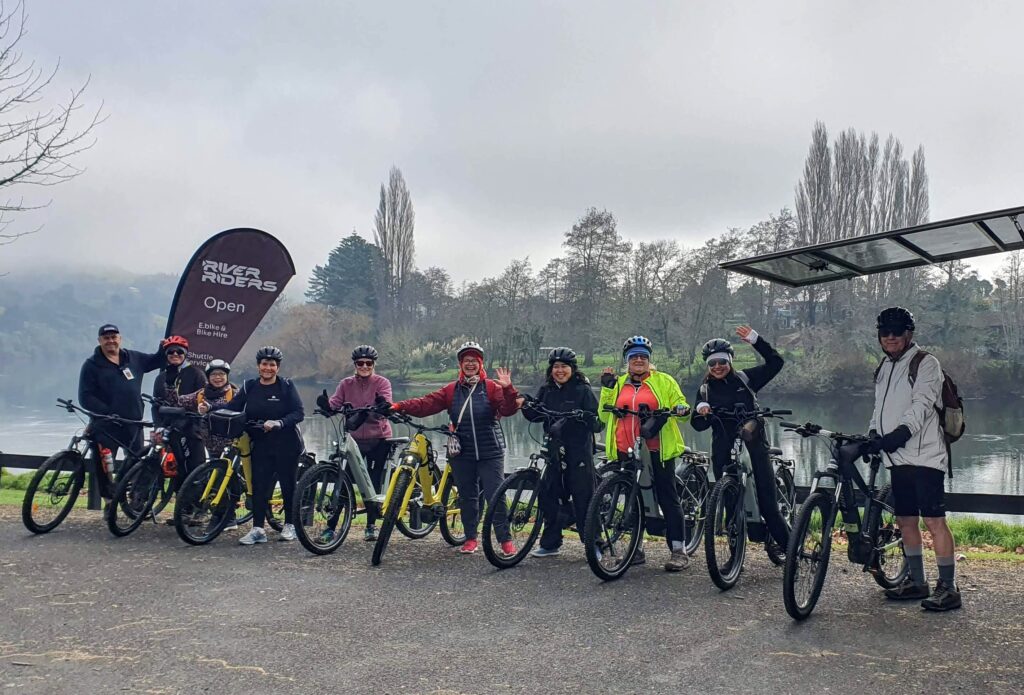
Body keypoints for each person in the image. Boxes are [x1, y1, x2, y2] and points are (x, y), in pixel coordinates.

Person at [863, 307, 960, 611]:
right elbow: (879, 407)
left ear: (908, 333)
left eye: (896, 331)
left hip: (926, 455)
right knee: (906, 520)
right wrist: (872, 436)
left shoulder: (926, 363)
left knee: (934, 520)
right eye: (884, 332)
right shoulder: (884, 366)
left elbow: (922, 405)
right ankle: (917, 582)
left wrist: (901, 433)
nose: (890, 337)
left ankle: (949, 587)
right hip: (897, 456)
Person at [391, 341, 519, 555]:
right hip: (462, 453)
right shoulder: (451, 390)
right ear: (461, 364)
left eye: (474, 361)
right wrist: (400, 406)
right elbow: (425, 404)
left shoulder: (491, 388)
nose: (470, 364)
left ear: (480, 364)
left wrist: (508, 389)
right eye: (466, 360)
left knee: (495, 496)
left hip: (490, 452)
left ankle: (505, 540)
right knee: (467, 497)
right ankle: (470, 538)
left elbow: (508, 409)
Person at [690, 326, 788, 551]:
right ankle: (735, 555)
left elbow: (776, 363)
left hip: (753, 445)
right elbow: (697, 425)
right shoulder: (705, 390)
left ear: (730, 362)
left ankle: (792, 551)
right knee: (729, 502)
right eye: (712, 363)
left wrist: (756, 340)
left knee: (768, 505)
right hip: (723, 448)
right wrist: (700, 410)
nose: (717, 367)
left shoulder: (745, 379)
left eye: (722, 362)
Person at [599, 336, 691, 571]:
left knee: (667, 497)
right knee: (632, 500)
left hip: (657, 449)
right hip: (627, 449)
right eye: (634, 357)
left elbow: (682, 408)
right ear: (627, 361)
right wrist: (607, 389)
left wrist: (681, 408)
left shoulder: (664, 381)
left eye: (643, 357)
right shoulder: (619, 382)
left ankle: (679, 550)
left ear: (650, 360)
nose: (639, 360)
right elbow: (603, 415)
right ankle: (636, 550)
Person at [521, 347, 601, 557]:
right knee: (549, 495)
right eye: (556, 367)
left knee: (584, 497)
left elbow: (597, 422)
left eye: (564, 366)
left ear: (572, 369)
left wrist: (584, 416)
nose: (560, 370)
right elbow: (535, 414)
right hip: (554, 452)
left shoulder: (582, 390)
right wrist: (524, 403)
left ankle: (594, 545)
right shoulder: (547, 389)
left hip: (578, 453)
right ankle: (550, 543)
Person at [226, 346, 305, 545]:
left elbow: (298, 413)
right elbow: (231, 407)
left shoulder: (286, 386)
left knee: (288, 485)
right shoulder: (249, 386)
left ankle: (290, 525)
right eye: (264, 364)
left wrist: (279, 423)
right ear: (258, 366)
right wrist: (209, 407)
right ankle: (258, 529)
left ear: (277, 368)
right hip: (260, 443)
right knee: (259, 486)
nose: (268, 368)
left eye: (272, 365)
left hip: (287, 444)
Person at [77, 323, 164, 498]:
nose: (110, 341)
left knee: (137, 460)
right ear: (99, 340)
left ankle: (131, 498)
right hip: (106, 424)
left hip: (133, 422)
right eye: (106, 338)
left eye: (113, 337)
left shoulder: (133, 358)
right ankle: (109, 500)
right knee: (104, 465)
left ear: (120, 338)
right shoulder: (91, 365)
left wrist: (163, 349)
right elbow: (85, 397)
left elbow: (157, 361)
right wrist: (107, 412)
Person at [328, 345, 394, 542]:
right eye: (360, 363)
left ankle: (371, 526)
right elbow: (335, 403)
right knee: (344, 482)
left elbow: (386, 403)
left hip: (379, 438)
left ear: (374, 364)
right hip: (354, 440)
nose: (364, 366)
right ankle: (331, 527)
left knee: (372, 483)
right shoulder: (346, 384)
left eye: (368, 363)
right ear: (355, 365)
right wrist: (326, 406)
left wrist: (381, 406)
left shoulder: (382, 382)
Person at [172, 359, 242, 529]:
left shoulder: (235, 393)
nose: (218, 378)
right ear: (208, 377)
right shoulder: (201, 394)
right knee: (214, 478)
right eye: (214, 374)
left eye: (222, 374)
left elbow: (230, 406)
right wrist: (167, 394)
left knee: (221, 479)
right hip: (211, 445)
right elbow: (181, 399)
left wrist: (210, 407)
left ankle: (227, 517)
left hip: (231, 443)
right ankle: (222, 514)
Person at [152, 335, 207, 490]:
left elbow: (202, 400)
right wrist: (158, 425)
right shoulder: (161, 377)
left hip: (191, 427)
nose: (175, 355)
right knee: (173, 466)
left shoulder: (196, 373)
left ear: (185, 354)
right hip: (169, 427)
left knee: (195, 466)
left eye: (179, 352)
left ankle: (196, 505)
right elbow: (155, 405)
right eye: (171, 352)